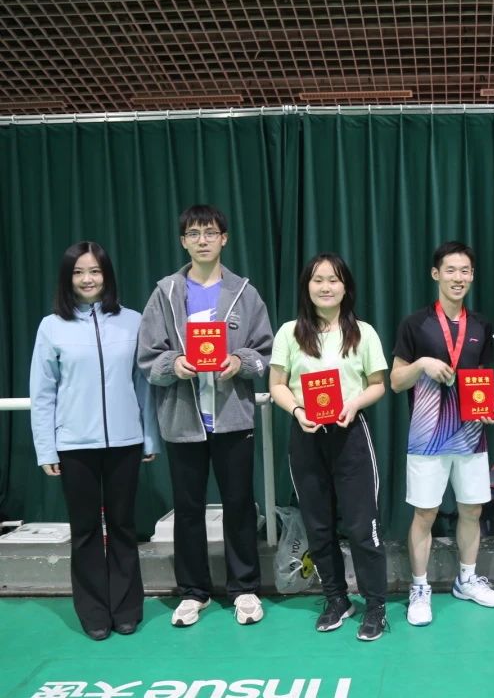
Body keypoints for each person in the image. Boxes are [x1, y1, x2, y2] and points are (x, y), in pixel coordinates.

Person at [137, 205, 273, 627]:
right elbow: (148, 357)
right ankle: (194, 591)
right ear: (183, 241)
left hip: (232, 419)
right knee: (188, 508)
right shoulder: (165, 293)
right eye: (194, 233)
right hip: (183, 421)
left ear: (224, 239)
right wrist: (174, 365)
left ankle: (244, 588)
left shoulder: (245, 293)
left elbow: (265, 352)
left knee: (239, 505)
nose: (202, 240)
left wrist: (240, 362)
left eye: (210, 232)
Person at [29, 241, 160, 641]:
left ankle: (126, 609)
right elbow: (43, 393)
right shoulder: (51, 327)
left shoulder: (132, 321)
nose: (87, 279)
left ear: (107, 276)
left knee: (123, 526)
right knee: (85, 529)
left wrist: (149, 437)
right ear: (67, 279)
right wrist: (46, 448)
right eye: (79, 272)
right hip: (74, 446)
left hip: (125, 443)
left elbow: (144, 385)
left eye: (95, 271)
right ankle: (93, 612)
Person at [268, 253, 389, 641]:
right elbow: (277, 385)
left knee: (362, 527)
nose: (325, 287)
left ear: (345, 287)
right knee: (318, 527)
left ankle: (375, 605)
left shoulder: (363, 332)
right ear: (307, 286)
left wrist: (353, 404)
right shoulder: (289, 333)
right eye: (317, 280)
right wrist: (297, 410)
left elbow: (378, 384)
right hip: (306, 435)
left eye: (333, 280)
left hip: (350, 435)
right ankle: (337, 599)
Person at [391, 240, 494, 626]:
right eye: (451, 270)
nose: (458, 277)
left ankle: (467, 580)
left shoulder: (481, 326)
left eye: (465, 271)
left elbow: (485, 381)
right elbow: (395, 381)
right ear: (435, 274)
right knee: (425, 512)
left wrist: (490, 405)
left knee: (472, 508)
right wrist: (422, 363)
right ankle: (419, 587)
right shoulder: (415, 324)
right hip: (427, 438)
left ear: (472, 276)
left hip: (471, 436)